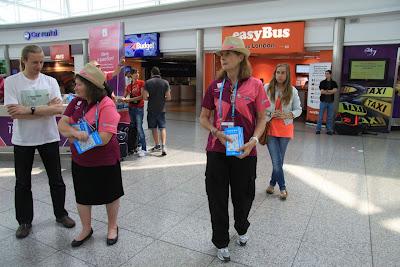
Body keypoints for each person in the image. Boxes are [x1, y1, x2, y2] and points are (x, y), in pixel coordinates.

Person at [199, 36, 269, 262]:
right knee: (216, 197)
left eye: (228, 54)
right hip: (217, 150)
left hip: (245, 150)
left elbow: (262, 118)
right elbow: (203, 117)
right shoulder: (215, 85)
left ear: (241, 57)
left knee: (244, 195)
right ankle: (220, 240)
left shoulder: (256, 85)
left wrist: (254, 141)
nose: (223, 58)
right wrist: (216, 132)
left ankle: (241, 227)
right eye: (221, 55)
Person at [4, 45, 75, 239]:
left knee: (57, 180)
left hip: (48, 136)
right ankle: (24, 221)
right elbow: (14, 112)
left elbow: (58, 109)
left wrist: (29, 110)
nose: (39, 66)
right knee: (22, 183)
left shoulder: (50, 81)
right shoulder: (12, 82)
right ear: (24, 60)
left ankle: (61, 214)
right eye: (35, 62)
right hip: (23, 139)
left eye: (42, 62)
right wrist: (44, 108)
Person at [58, 63, 124, 247]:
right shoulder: (76, 102)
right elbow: (62, 126)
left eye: (79, 84)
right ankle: (86, 228)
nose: (75, 87)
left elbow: (104, 138)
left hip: (105, 160)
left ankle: (112, 226)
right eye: (75, 83)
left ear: (91, 86)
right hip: (81, 160)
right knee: (83, 196)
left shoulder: (106, 104)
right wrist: (76, 134)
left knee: (110, 195)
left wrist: (73, 137)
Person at [264, 63, 302, 200]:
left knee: (279, 161)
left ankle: (272, 183)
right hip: (270, 129)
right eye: (278, 72)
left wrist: (288, 115)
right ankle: (283, 188)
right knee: (276, 161)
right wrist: (270, 114)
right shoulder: (267, 88)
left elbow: (299, 110)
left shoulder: (292, 91)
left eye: (283, 73)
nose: (280, 75)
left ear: (287, 75)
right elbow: (260, 107)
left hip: (285, 129)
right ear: (274, 73)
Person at [143, 66, 171, 156]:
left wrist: (151, 97)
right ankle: (163, 146)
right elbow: (169, 97)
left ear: (152, 73)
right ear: (159, 73)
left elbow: (144, 97)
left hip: (151, 108)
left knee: (154, 128)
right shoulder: (165, 82)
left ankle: (156, 145)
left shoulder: (147, 82)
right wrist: (162, 98)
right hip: (161, 109)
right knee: (162, 127)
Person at [123, 68, 147, 156]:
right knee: (132, 127)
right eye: (135, 73)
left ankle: (144, 148)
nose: (137, 74)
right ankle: (133, 146)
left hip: (139, 108)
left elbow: (142, 96)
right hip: (131, 108)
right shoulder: (129, 86)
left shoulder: (142, 83)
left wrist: (129, 99)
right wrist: (121, 99)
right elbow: (124, 96)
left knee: (139, 127)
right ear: (131, 75)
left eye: (137, 73)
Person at [316, 70, 338, 135]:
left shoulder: (334, 82)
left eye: (327, 74)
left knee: (330, 117)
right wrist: (330, 91)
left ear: (330, 74)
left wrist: (327, 91)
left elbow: (335, 90)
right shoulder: (322, 82)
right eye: (325, 74)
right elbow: (322, 91)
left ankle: (329, 130)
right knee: (320, 116)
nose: (326, 75)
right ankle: (318, 129)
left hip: (331, 102)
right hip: (323, 101)